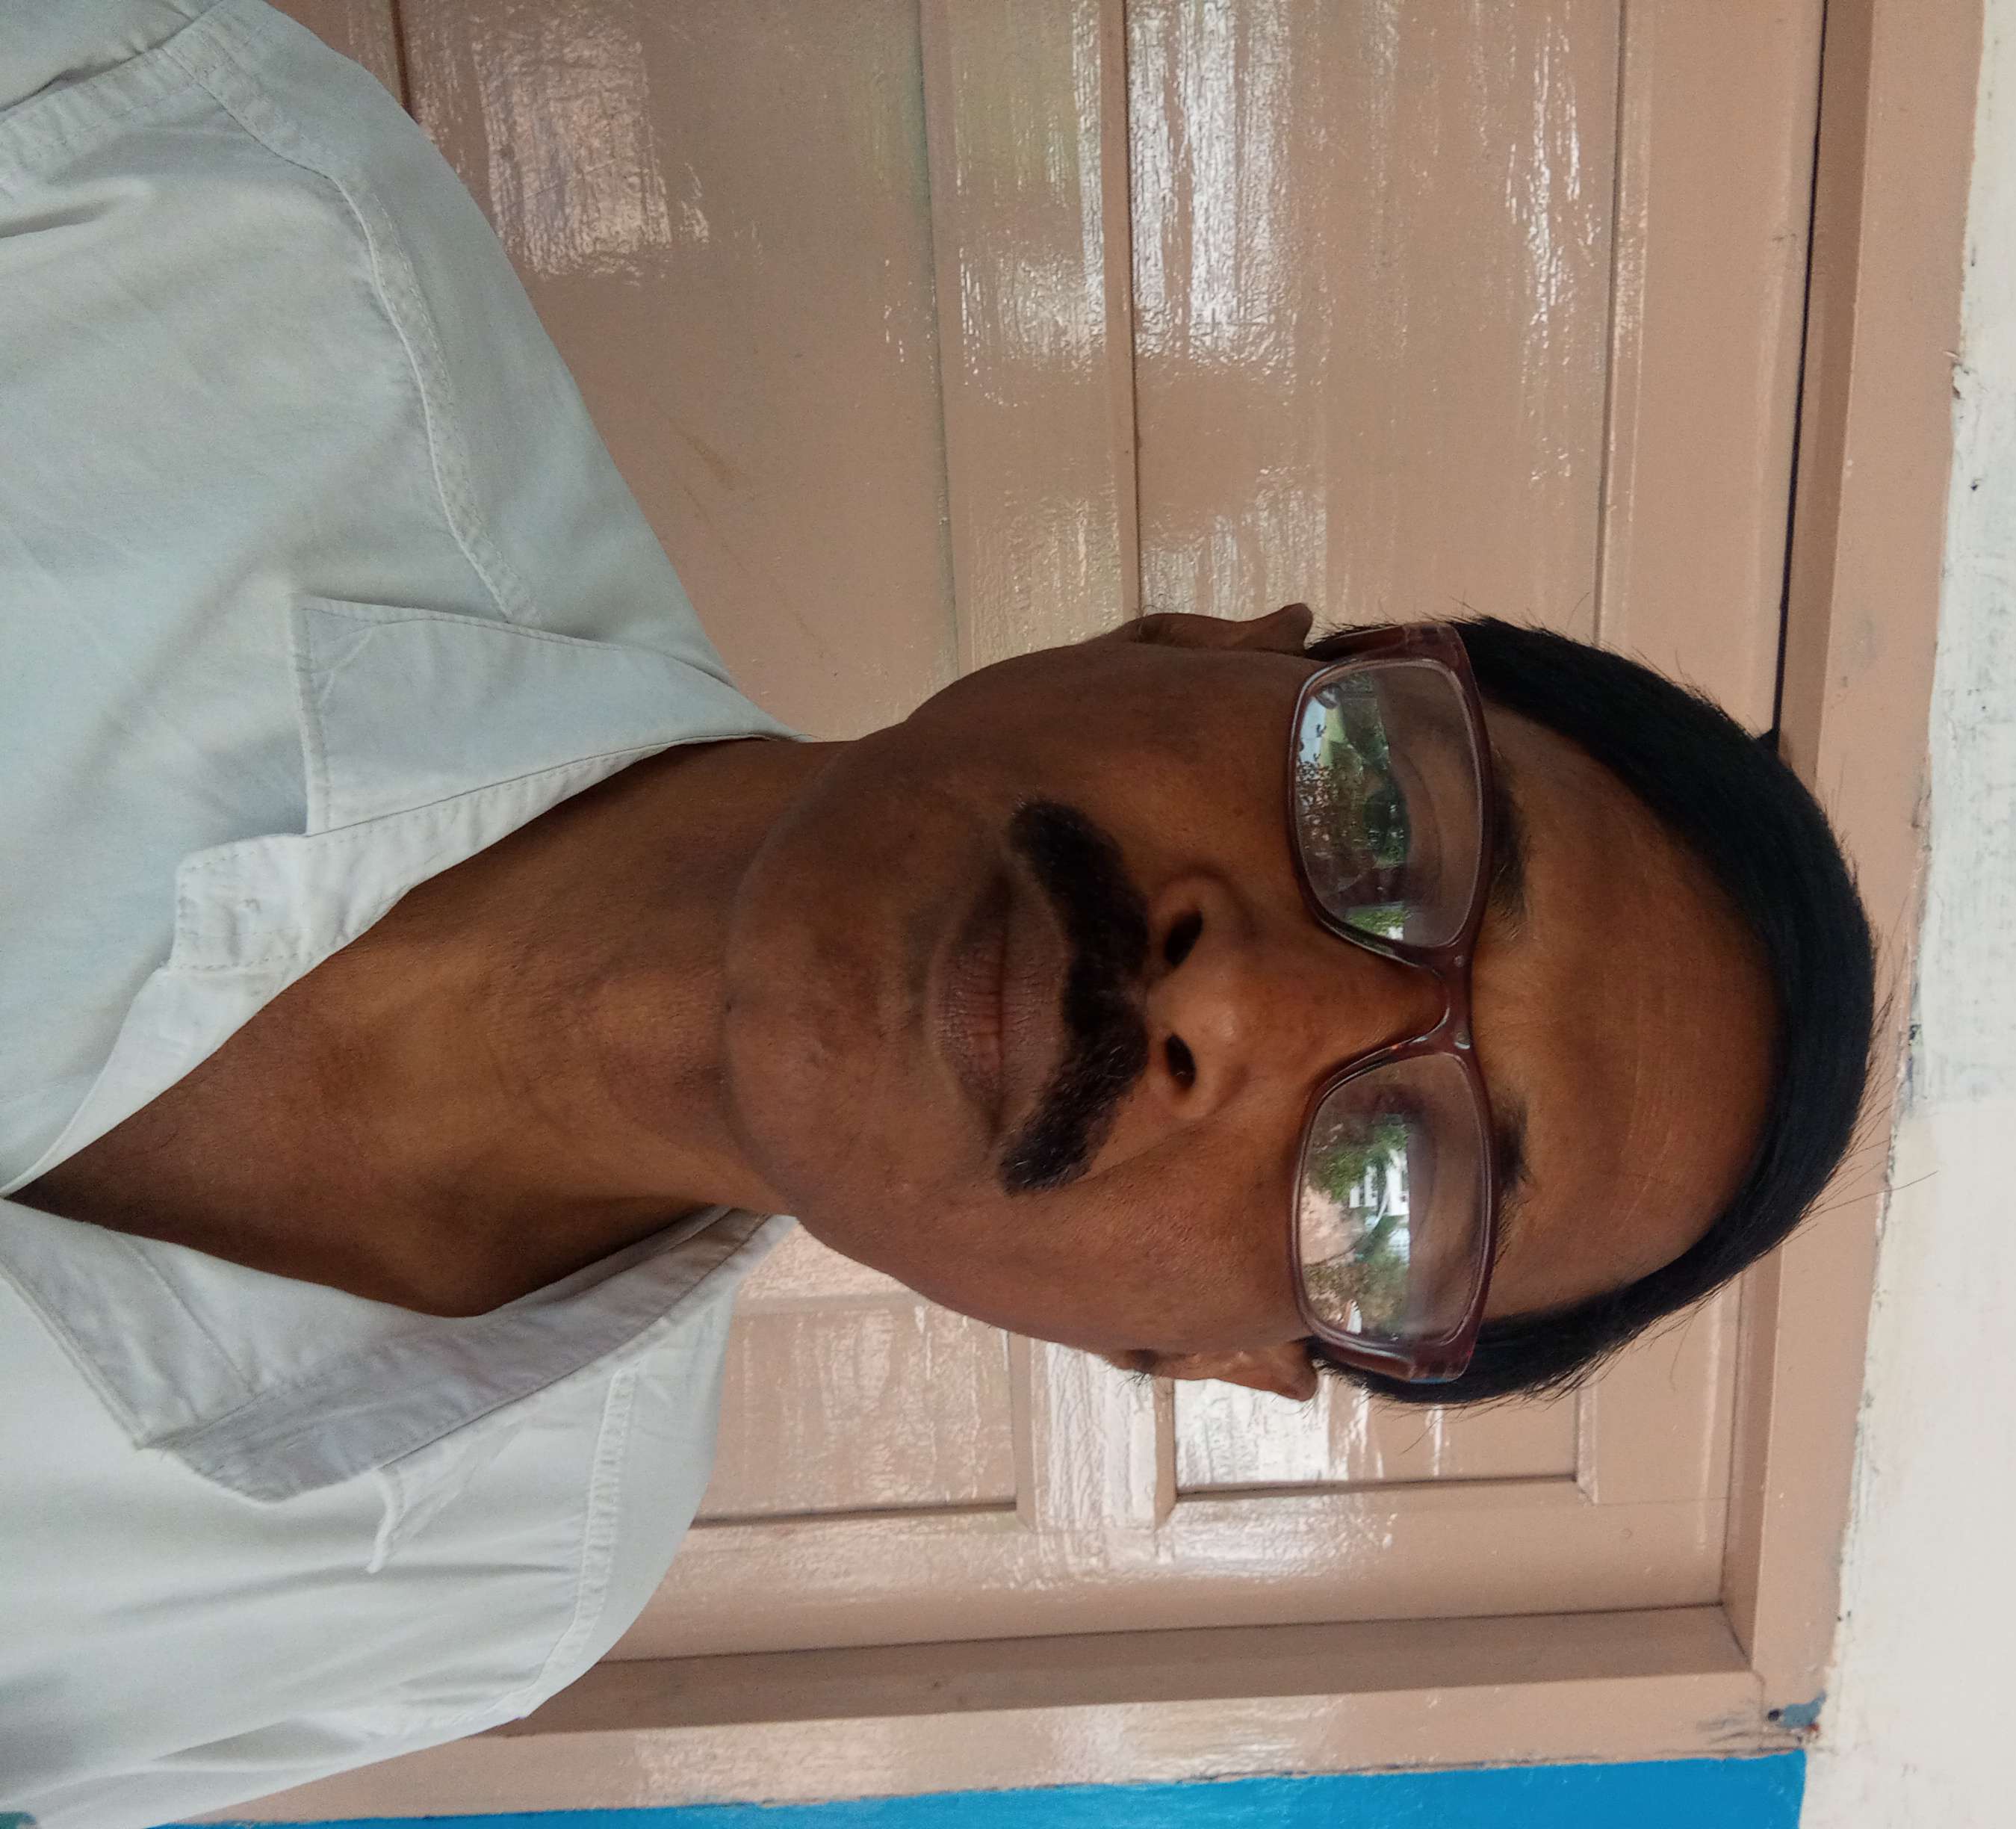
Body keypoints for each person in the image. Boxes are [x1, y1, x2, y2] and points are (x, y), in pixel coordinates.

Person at [0, 2, 1876, 1823]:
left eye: (1393, 1194)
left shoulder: (472, 1597)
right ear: (1205, 644)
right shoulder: (150, 196)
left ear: (1200, 1355)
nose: (1237, 1008)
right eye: (1382, 821)